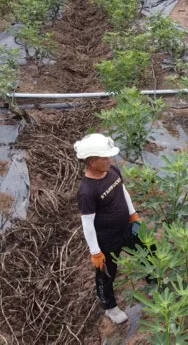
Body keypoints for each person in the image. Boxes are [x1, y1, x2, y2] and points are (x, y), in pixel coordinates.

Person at [74, 133, 144, 324]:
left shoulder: (112, 171)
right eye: (104, 158)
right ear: (91, 162)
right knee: (106, 274)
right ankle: (110, 307)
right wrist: (95, 252)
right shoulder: (87, 191)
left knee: (147, 249)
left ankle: (154, 277)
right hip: (106, 239)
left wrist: (133, 214)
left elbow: (123, 191)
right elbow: (87, 224)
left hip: (127, 228)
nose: (109, 160)